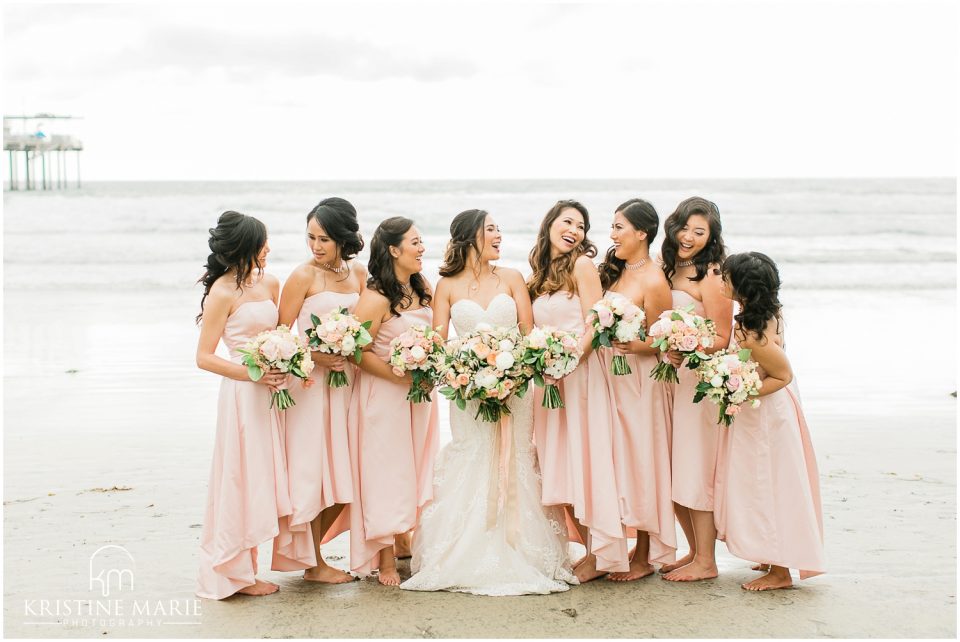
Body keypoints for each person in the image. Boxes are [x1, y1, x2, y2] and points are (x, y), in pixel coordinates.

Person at [400, 209, 577, 595]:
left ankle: (523, 551)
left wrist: (511, 373)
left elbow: (530, 336)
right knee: (472, 454)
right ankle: (465, 548)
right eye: (491, 229)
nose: (499, 235)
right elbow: (437, 344)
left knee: (515, 457)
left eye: (499, 229)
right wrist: (465, 374)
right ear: (470, 237)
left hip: (515, 389)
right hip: (468, 393)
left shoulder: (512, 278)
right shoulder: (445, 286)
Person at [528, 199, 628, 582]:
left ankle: (599, 554)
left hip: (582, 378)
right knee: (560, 466)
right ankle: (589, 549)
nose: (575, 231)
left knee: (586, 461)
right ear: (550, 223)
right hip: (550, 385)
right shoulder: (539, 273)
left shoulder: (583, 266)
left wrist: (567, 363)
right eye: (568, 222)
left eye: (582, 226)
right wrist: (543, 365)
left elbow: (596, 325)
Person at [714, 252, 825, 590]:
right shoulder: (760, 315)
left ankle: (780, 572)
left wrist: (743, 392)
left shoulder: (751, 327)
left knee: (768, 484)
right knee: (765, 482)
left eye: (726, 277)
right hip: (766, 413)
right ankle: (771, 554)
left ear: (742, 286)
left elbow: (783, 374)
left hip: (767, 418)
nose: (721, 281)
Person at [194, 211, 290, 599]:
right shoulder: (221, 292)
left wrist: (287, 361)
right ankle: (235, 570)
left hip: (273, 394)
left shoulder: (270, 283)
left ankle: (248, 568)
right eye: (262, 242)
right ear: (245, 247)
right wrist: (250, 373)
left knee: (263, 476)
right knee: (239, 475)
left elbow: (281, 333)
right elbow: (204, 357)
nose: (268, 248)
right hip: (242, 395)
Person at [271, 198, 365, 583]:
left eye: (324, 239)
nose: (316, 246)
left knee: (346, 476)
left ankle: (313, 554)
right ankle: (314, 563)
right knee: (314, 472)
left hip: (348, 385)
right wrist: (318, 355)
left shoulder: (358, 273)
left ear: (344, 238)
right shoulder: (302, 276)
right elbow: (278, 337)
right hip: (311, 386)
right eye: (310, 237)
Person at [348, 217, 440, 586]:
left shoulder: (422, 287)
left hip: (419, 398)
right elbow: (356, 351)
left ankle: (406, 537)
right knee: (385, 472)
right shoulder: (374, 298)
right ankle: (384, 559)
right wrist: (398, 374)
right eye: (415, 242)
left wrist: (431, 363)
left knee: (417, 466)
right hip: (383, 397)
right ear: (393, 250)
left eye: (422, 241)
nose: (422, 248)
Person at [596, 199, 677, 581]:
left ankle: (645, 553)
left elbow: (665, 341)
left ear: (641, 233)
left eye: (618, 227)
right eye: (612, 227)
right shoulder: (615, 272)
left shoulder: (654, 280)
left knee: (642, 459)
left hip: (641, 381)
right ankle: (627, 539)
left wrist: (633, 344)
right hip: (612, 377)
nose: (612, 235)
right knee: (618, 459)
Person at [659, 196, 734, 583]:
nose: (688, 237)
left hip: (698, 384)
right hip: (668, 383)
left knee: (694, 468)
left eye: (699, 231)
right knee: (670, 469)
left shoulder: (714, 275)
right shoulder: (668, 267)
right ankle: (693, 550)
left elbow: (723, 337)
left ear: (711, 236)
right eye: (684, 228)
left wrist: (686, 346)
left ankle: (707, 560)